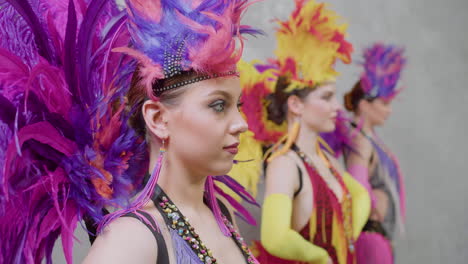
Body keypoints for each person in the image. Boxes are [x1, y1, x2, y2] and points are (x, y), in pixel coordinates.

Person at [0, 0, 261, 263]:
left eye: (237, 106)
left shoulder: (220, 213)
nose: (242, 124)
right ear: (158, 119)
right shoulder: (131, 238)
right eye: (218, 105)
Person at [237, 1, 370, 263]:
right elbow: (275, 238)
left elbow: (361, 195)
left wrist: (346, 239)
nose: (335, 107)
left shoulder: (325, 158)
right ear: (296, 104)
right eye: (327, 97)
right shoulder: (285, 164)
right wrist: (320, 257)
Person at [343, 43, 407, 264]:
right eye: (385, 103)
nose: (389, 110)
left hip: (378, 236)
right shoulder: (359, 139)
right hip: (370, 236)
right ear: (364, 104)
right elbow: (356, 185)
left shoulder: (368, 139)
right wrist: (372, 203)